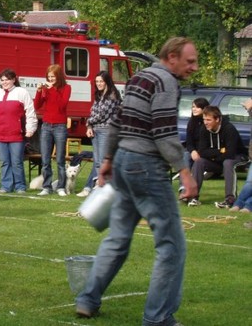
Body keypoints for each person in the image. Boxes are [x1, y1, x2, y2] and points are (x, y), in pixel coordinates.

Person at [75, 37, 199, 325]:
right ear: (172, 57)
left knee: (117, 239)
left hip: (124, 162)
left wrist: (108, 159)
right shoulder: (166, 82)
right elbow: (164, 133)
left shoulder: (139, 78)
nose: (194, 67)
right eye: (190, 61)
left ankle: (87, 300)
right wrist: (185, 172)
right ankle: (158, 318)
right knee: (172, 246)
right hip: (147, 167)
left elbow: (118, 121)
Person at [0, 68, 37, 194]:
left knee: (16, 162)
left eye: (7, 79)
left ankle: (20, 186)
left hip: (16, 135)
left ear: (13, 80)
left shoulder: (22, 92)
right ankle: (6, 186)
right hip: (0, 134)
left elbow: (30, 111)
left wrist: (30, 129)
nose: (5, 82)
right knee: (5, 162)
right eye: (2, 80)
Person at [186, 105, 245, 208]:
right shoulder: (204, 129)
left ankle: (230, 200)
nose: (205, 122)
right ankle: (193, 197)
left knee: (228, 163)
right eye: (204, 119)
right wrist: (219, 153)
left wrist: (213, 155)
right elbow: (202, 151)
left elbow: (230, 153)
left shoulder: (229, 129)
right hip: (218, 160)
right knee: (199, 161)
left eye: (208, 120)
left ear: (217, 119)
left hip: (238, 158)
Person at [77, 71, 122, 197]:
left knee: (103, 160)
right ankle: (99, 185)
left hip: (107, 130)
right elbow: (93, 112)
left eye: (101, 81)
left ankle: (103, 187)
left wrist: (88, 122)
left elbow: (103, 114)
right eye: (97, 81)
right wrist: (89, 126)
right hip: (96, 130)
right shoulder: (99, 95)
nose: (99, 84)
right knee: (97, 161)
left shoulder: (113, 95)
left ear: (107, 81)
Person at [34, 64, 72, 196]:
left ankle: (61, 187)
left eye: (53, 77)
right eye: (49, 77)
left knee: (60, 159)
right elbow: (37, 105)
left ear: (59, 76)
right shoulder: (46, 89)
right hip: (46, 125)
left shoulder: (66, 88)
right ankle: (47, 187)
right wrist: (39, 91)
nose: (50, 79)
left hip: (60, 126)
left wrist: (52, 90)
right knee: (45, 159)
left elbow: (62, 105)